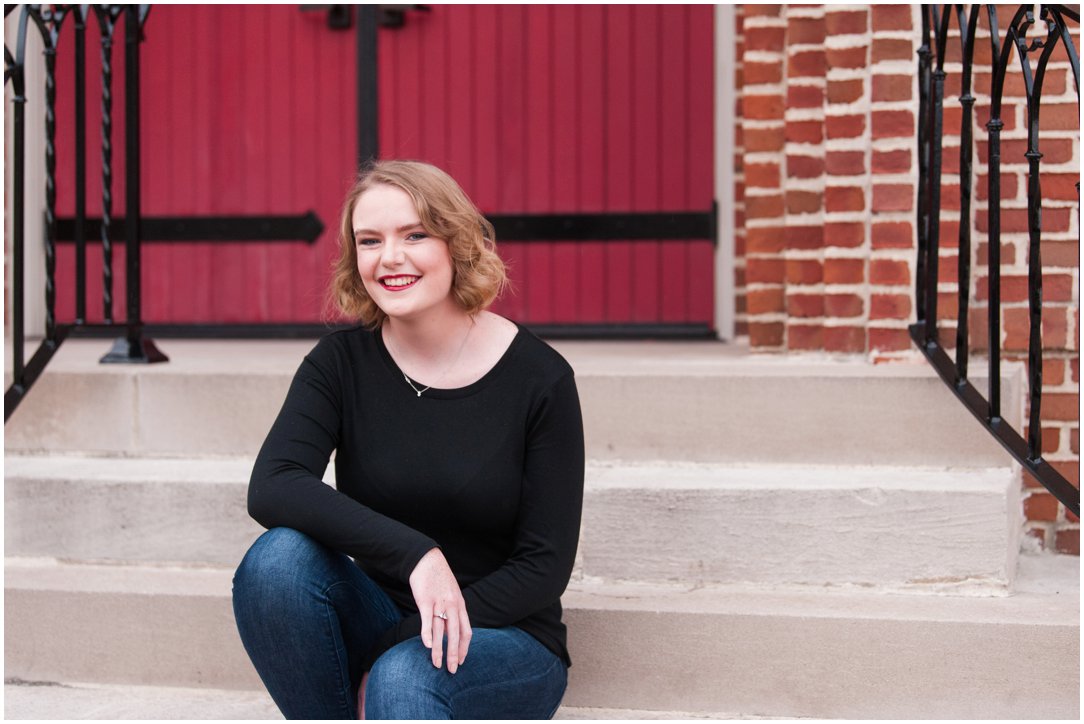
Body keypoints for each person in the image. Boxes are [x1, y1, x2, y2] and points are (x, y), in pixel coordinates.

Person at [232, 160, 585, 720]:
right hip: (382, 607)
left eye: (414, 235)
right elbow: (274, 484)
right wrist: (417, 554)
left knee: (405, 674)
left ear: (456, 243)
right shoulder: (340, 364)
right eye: (369, 241)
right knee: (277, 563)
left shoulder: (539, 379)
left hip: (504, 636)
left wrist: (400, 640)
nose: (389, 257)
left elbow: (543, 568)